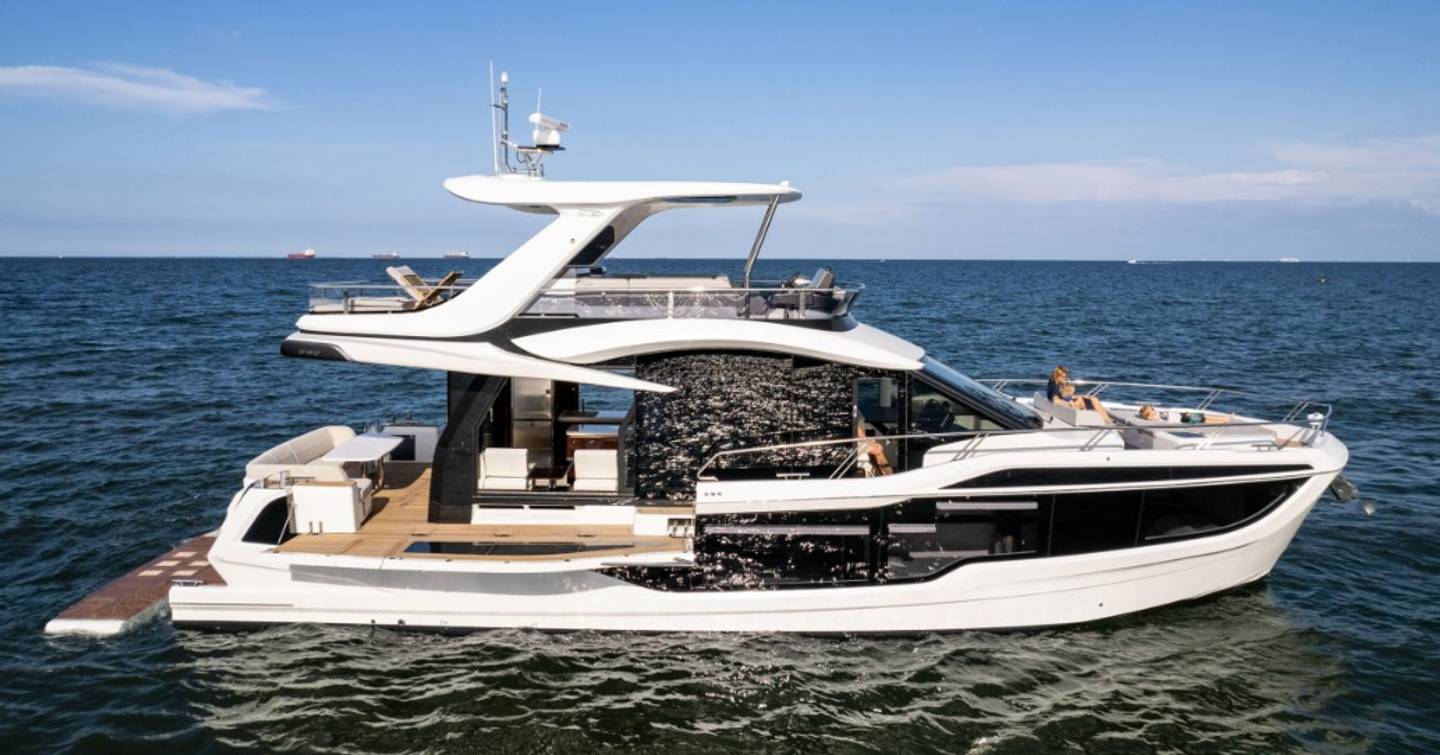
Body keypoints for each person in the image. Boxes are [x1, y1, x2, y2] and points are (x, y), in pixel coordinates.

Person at [1047, 365, 1112, 424]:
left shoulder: (1057, 383)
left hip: (1067, 402)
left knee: (1093, 398)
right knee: (1082, 400)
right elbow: (1056, 401)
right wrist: (1071, 403)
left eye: (1066, 377)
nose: (1065, 379)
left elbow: (1065, 396)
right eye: (1064, 377)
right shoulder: (1054, 386)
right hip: (1066, 406)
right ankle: (1105, 420)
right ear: (1058, 377)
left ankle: (1107, 419)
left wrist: (1082, 396)